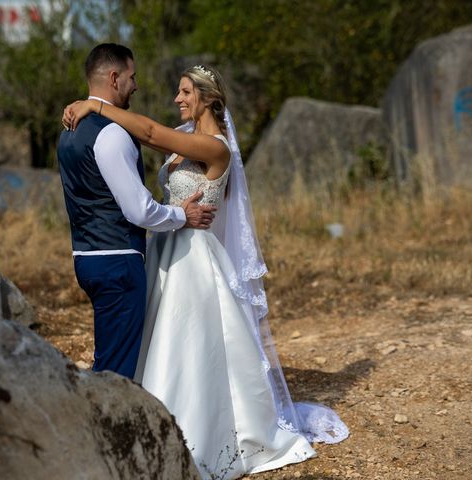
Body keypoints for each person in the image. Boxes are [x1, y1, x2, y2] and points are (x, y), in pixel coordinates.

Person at [63, 64, 349, 479]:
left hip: (194, 258)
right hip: (165, 251)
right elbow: (151, 138)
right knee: (156, 339)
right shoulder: (187, 144)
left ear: (206, 98)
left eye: (184, 92)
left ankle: (192, 433)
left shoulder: (216, 148)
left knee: (188, 344)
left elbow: (147, 132)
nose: (177, 99)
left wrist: (95, 106)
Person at [56, 44, 216, 380]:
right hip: (118, 261)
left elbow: (152, 134)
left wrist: (91, 105)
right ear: (114, 78)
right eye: (132, 77)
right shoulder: (111, 134)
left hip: (86, 257)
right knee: (116, 373)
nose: (136, 85)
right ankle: (105, 431)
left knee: (110, 358)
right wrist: (181, 216)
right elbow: (139, 210)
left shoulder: (68, 132)